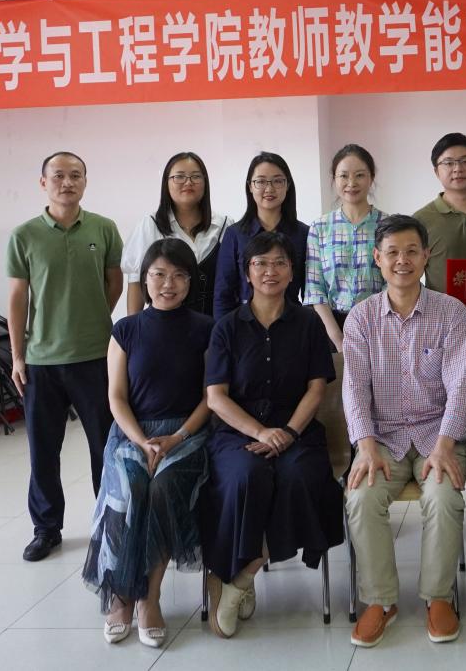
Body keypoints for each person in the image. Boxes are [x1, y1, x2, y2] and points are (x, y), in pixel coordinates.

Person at [200, 232, 344, 639]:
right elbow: (216, 397)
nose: (270, 271)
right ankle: (231, 568)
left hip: (297, 430)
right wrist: (261, 432)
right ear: (246, 272)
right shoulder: (227, 327)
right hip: (238, 433)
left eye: (280, 262)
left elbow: (317, 388)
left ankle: (238, 577)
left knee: (300, 477)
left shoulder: (309, 324)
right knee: (245, 476)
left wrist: (289, 432)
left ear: (292, 271)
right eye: (260, 263)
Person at [342, 214, 466, 648]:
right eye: (393, 253)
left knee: (443, 496)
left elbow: (462, 384)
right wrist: (365, 447)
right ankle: (380, 601)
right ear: (377, 258)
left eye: (412, 251)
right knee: (361, 498)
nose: (403, 260)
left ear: (426, 256)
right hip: (382, 438)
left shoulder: (451, 312)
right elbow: (354, 389)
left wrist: (445, 445)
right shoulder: (360, 318)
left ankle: (438, 597)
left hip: (440, 436)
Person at [83, 239, 213, 648]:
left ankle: (148, 597)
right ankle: (120, 595)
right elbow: (116, 398)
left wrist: (175, 438)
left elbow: (210, 398)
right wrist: (142, 441)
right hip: (132, 434)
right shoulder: (126, 330)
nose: (168, 284)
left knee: (162, 489)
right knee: (129, 488)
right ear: (145, 278)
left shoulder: (206, 329)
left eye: (178, 275)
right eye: (159, 274)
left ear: (190, 281)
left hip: (185, 434)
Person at [7, 151, 123, 562]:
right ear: (43, 183)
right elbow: (17, 297)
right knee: (43, 451)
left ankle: (109, 523)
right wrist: (17, 356)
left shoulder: (103, 228)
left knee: (104, 447)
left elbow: (114, 283)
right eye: (58, 175)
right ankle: (46, 528)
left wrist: (91, 318)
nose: (67, 182)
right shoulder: (24, 235)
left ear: (85, 182)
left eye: (76, 175)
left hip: (95, 357)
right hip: (41, 361)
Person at [122, 152, 231, 317]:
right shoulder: (151, 224)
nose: (188, 182)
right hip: (163, 326)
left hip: (215, 325)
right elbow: (136, 281)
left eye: (196, 176)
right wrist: (133, 326)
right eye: (179, 176)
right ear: (166, 183)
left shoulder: (225, 225)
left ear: (205, 182)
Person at [307, 144, 384, 350]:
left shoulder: (387, 225)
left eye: (360, 175)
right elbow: (315, 288)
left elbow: (392, 282)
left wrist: (375, 328)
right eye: (343, 176)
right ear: (334, 179)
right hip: (330, 327)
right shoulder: (319, 227)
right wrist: (337, 338)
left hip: (379, 325)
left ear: (371, 178)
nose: (351, 183)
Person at [213, 152, 307, 319]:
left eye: (277, 181)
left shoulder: (303, 234)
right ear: (250, 186)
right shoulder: (235, 234)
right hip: (244, 325)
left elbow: (311, 292)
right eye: (261, 181)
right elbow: (223, 294)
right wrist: (224, 331)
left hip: (292, 323)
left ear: (288, 185)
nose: (269, 189)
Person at [412, 132, 466, 314]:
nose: (458, 168)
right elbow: (412, 273)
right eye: (449, 163)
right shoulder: (421, 219)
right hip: (440, 318)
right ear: (437, 171)